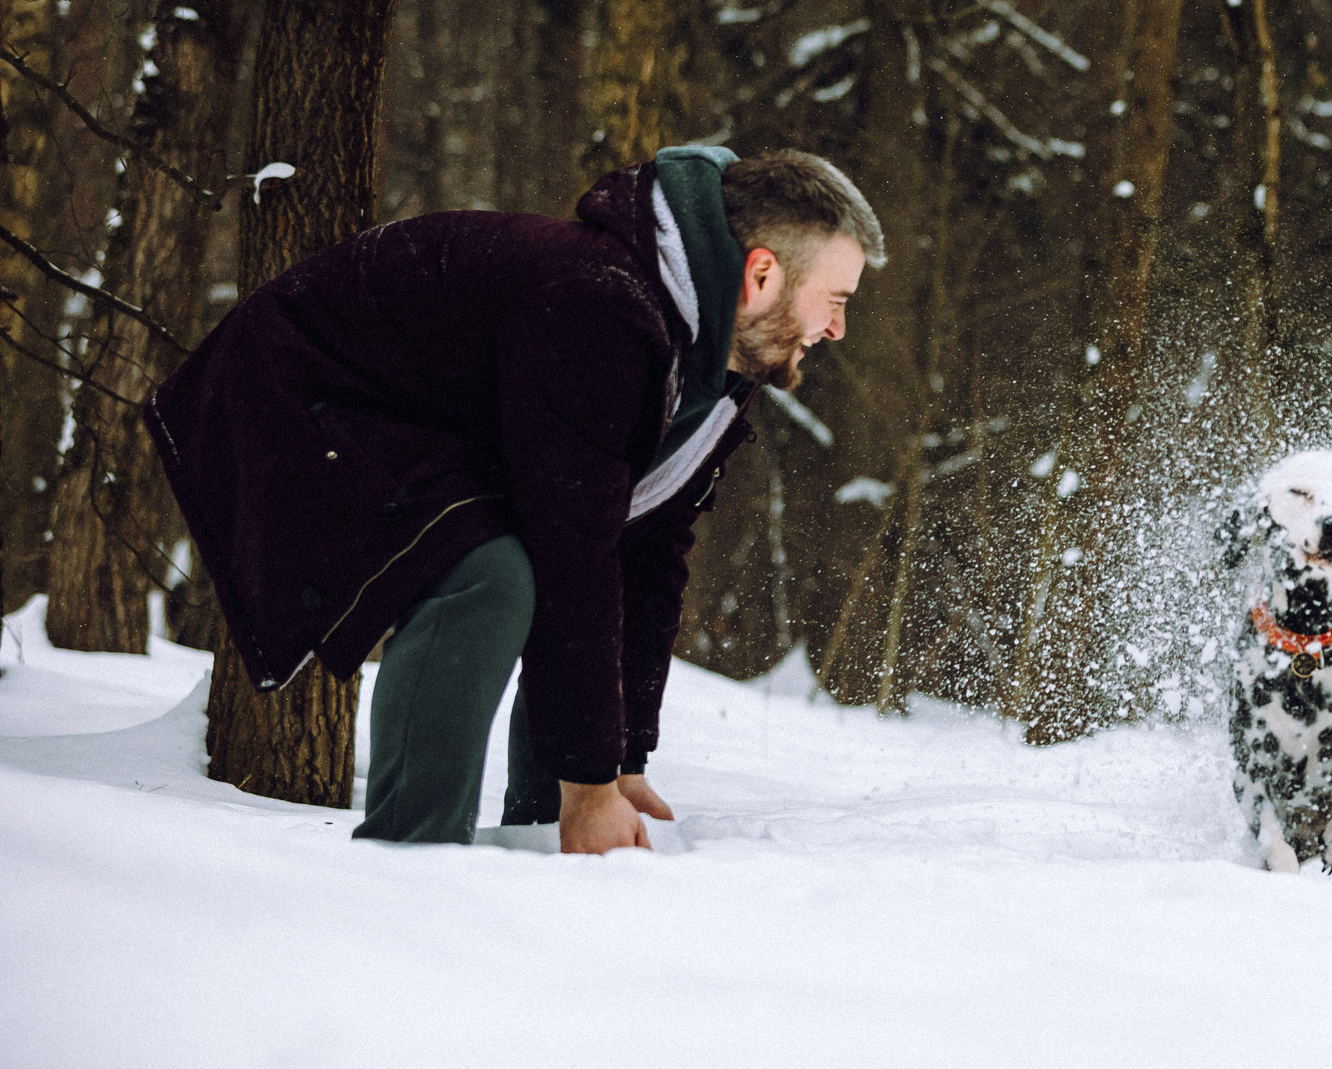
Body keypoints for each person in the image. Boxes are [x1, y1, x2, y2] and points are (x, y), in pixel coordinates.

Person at [147, 146, 884, 852]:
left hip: (419, 422)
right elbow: (577, 555)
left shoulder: (711, 364)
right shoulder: (603, 305)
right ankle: (407, 859)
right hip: (299, 391)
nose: (839, 329)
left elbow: (647, 554)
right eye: (836, 300)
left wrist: (621, 758)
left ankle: (537, 845)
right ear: (760, 274)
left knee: (560, 570)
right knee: (492, 576)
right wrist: (590, 784)